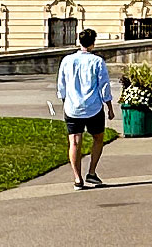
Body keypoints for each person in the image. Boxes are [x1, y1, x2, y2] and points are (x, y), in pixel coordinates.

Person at [55, 28, 114, 190]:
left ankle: (77, 178)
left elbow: (61, 85)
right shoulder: (97, 61)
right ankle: (92, 171)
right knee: (98, 138)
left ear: (78, 42)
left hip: (72, 107)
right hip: (93, 106)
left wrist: (66, 101)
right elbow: (104, 86)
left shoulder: (67, 60)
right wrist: (109, 106)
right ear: (93, 43)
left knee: (74, 142)